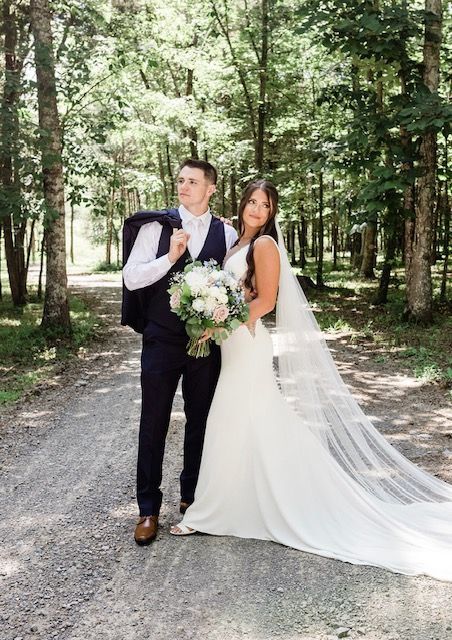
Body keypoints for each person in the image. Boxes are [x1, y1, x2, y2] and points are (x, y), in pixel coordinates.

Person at [170, 179, 452, 582]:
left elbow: (265, 302)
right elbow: (239, 294)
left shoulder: (264, 246)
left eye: (264, 205)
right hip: (232, 345)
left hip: (246, 345)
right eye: (251, 201)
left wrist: (217, 324)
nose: (256, 210)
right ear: (242, 204)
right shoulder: (235, 245)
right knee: (247, 422)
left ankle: (210, 511)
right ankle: (238, 501)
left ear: (272, 213)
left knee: (230, 419)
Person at [122, 159, 237, 545]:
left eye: (192, 181)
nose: (183, 187)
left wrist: (217, 321)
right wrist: (170, 257)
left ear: (211, 189)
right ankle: (148, 509)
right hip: (161, 339)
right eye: (180, 180)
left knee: (200, 420)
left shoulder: (228, 231)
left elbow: (233, 288)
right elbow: (131, 277)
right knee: (153, 420)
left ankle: (192, 499)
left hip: (205, 343)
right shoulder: (157, 227)